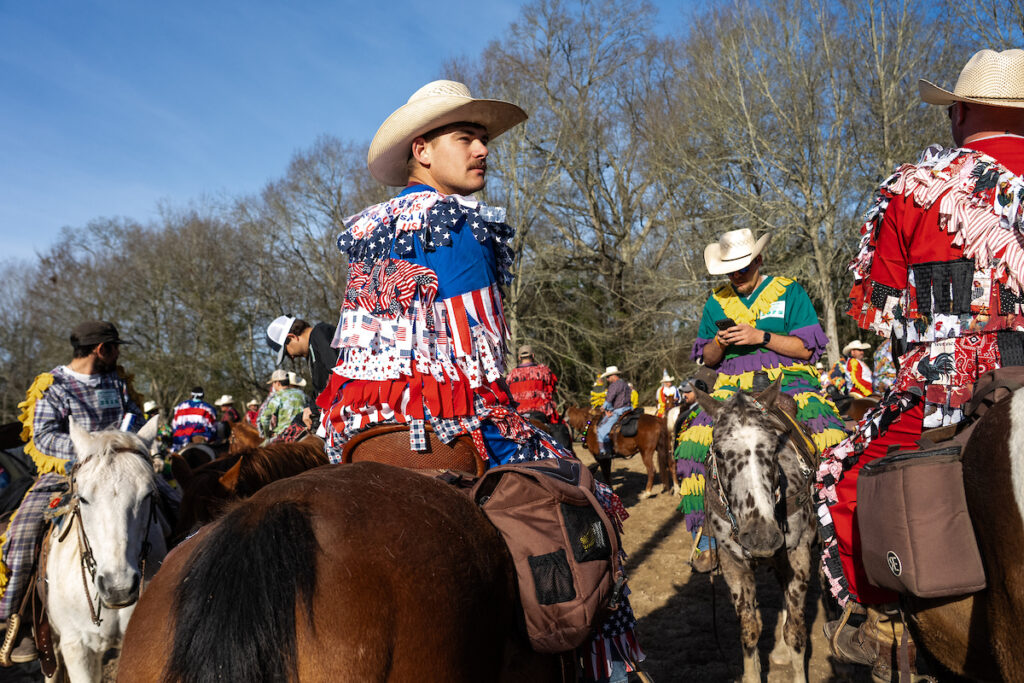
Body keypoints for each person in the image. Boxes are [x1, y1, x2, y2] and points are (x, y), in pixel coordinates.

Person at [319, 79, 644, 680]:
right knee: (586, 498)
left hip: (360, 420)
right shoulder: (461, 223)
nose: (482, 150)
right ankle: (601, 663)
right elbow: (480, 354)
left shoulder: (369, 230)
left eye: (484, 139)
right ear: (422, 150)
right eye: (466, 137)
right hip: (444, 410)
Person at [817, 49, 1024, 672]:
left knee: (839, 478)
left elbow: (880, 311)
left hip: (946, 389)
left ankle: (878, 621)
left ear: (959, 112)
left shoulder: (913, 188)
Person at [676, 228, 846, 573]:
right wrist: (721, 343)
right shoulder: (716, 301)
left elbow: (806, 349)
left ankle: (839, 534)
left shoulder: (789, 292)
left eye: (743, 267)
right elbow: (708, 359)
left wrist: (760, 336)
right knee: (692, 441)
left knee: (832, 438)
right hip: (731, 384)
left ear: (759, 260)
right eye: (730, 269)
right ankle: (707, 537)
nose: (736, 275)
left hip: (789, 378)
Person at [0, 322, 153, 662]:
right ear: (102, 349)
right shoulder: (52, 386)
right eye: (116, 348)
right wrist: (92, 450)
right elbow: (43, 437)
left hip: (123, 472)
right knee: (21, 533)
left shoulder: (119, 383)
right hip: (67, 473)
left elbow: (136, 419)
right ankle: (19, 620)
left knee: (182, 506)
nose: (119, 354)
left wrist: (127, 444)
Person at [265, 316, 339, 431]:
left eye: (287, 352)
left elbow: (337, 373)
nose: (292, 357)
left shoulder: (320, 332)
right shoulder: (313, 349)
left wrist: (314, 408)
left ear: (292, 337)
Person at [506, 345, 560, 422]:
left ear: (519, 358)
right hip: (540, 414)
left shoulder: (510, 376)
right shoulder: (544, 372)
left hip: (518, 416)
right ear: (533, 356)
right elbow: (552, 390)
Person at [595, 366, 632, 460]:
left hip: (619, 411)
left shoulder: (614, 385)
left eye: (608, 377)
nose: (607, 379)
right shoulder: (625, 384)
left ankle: (605, 452)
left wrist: (603, 408)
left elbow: (609, 399)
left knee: (601, 429)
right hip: (629, 409)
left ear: (613, 376)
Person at [258, 369, 306, 440]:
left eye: (273, 383)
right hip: (302, 433)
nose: (273, 386)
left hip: (283, 435)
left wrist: (266, 435)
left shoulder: (276, 397)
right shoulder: (302, 394)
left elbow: (264, 418)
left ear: (277, 383)